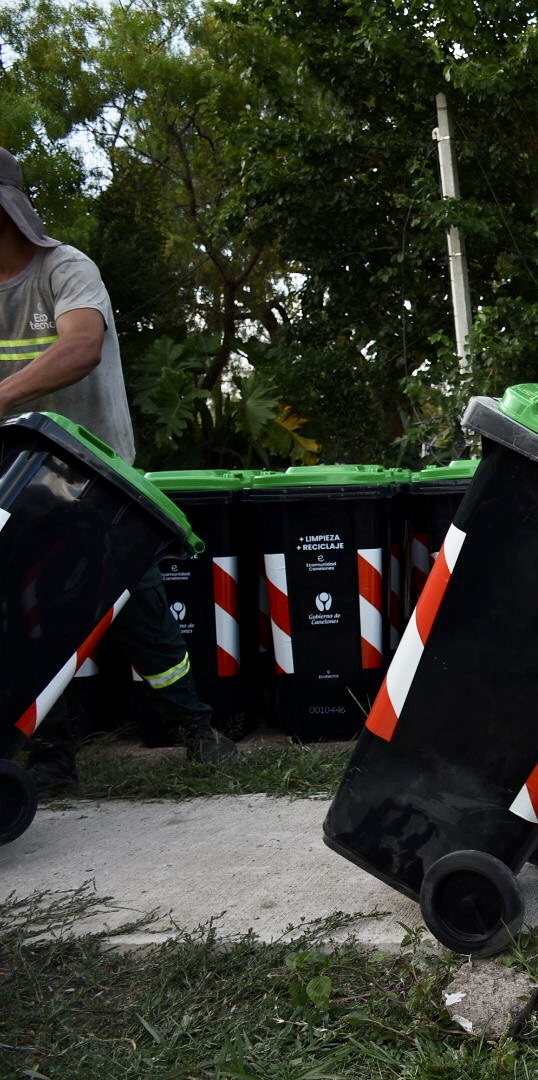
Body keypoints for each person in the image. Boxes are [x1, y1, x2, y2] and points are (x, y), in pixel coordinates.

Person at [0, 146, 238, 791]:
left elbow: (81, 346)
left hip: (94, 478)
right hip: (15, 482)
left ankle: (195, 727)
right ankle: (51, 754)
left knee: (139, 605)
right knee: (25, 616)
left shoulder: (64, 269)